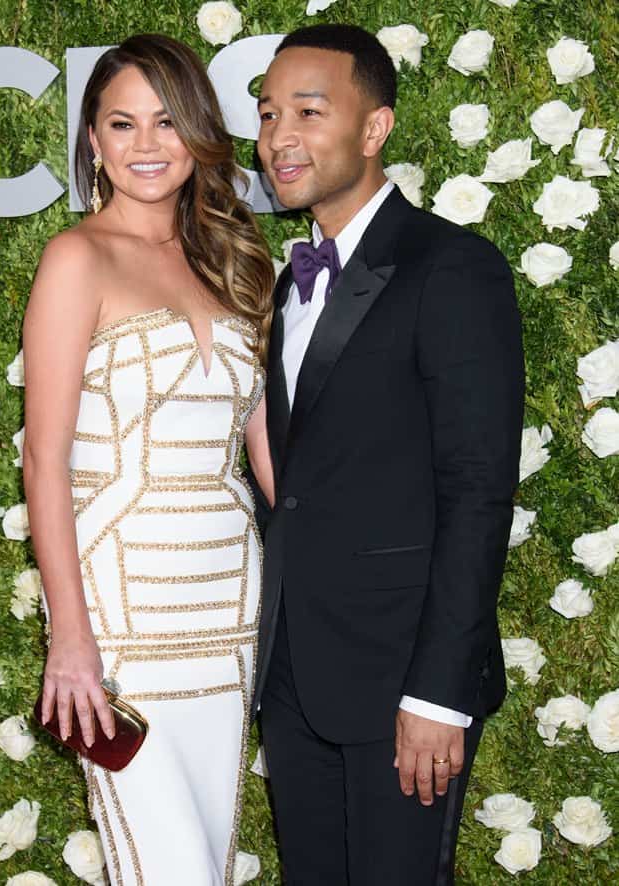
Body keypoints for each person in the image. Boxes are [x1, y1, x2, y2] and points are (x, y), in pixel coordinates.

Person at [250, 24, 525, 885]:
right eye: (266, 114)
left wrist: (439, 692)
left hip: (404, 679)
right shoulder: (278, 285)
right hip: (295, 674)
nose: (279, 138)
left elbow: (479, 489)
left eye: (307, 110)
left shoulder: (451, 267)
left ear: (374, 129)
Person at [22, 33, 274, 885]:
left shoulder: (232, 262)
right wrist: (71, 637)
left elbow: (267, 457)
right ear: (92, 140)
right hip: (122, 614)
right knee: (166, 866)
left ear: (196, 132)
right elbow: (45, 463)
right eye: (121, 124)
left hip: (230, 603)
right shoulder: (76, 258)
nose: (145, 146)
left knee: (204, 854)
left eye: (166, 122)